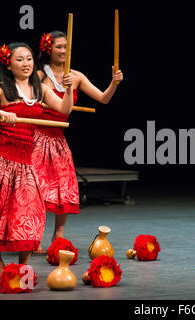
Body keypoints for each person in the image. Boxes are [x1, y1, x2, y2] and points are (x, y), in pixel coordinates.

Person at [0, 42, 75, 277]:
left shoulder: (39, 89)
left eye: (29, 59)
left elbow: (63, 110)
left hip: (25, 162)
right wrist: (2, 112)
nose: (26, 64)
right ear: (8, 64)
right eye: (20, 59)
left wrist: (68, 89)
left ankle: (23, 266)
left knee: (27, 214)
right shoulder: (1, 88)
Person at [32, 31, 124, 254]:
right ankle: (34, 236)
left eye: (67, 47)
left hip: (58, 140)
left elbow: (103, 98)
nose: (63, 51)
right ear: (48, 49)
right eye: (59, 47)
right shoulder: (38, 76)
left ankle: (58, 235)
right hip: (37, 139)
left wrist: (113, 83)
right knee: (36, 190)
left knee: (63, 188)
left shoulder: (76, 76)